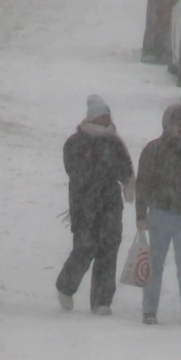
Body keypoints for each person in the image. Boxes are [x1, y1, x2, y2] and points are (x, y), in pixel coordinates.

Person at [56, 95, 135, 315]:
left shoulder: (115, 142)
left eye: (107, 116)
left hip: (110, 203)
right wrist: (95, 174)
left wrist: (119, 175)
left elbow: (126, 171)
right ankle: (65, 286)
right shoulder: (76, 142)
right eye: (101, 116)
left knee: (108, 248)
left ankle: (102, 301)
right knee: (84, 247)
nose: (105, 120)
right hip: (84, 204)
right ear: (92, 118)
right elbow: (75, 171)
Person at [136, 104, 181, 325]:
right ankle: (149, 310)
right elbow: (143, 184)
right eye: (178, 124)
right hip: (159, 214)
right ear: (167, 124)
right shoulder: (153, 150)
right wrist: (141, 214)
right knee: (155, 264)